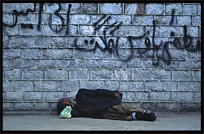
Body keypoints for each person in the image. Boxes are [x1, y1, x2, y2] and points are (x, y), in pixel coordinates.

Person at [57, 88, 157, 121]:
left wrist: (112, 94)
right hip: (101, 113)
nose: (65, 103)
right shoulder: (76, 111)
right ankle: (139, 116)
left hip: (106, 104)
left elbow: (97, 92)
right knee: (121, 117)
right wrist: (67, 111)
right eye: (63, 105)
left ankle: (144, 112)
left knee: (123, 109)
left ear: (67, 98)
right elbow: (73, 114)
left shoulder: (80, 94)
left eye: (64, 101)